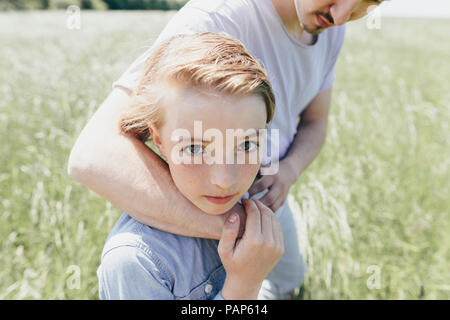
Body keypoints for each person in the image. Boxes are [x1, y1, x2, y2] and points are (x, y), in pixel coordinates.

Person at [69, 0, 385, 299]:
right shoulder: (214, 19)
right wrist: (236, 239)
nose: (342, 16)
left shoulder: (331, 31)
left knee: (288, 283)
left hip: (259, 195)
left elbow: (315, 122)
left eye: (367, 4)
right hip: (219, 209)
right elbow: (92, 155)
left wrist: (286, 172)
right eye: (195, 148)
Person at [97, 32, 284, 300]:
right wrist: (244, 286)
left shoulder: (252, 199)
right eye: (194, 149)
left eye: (245, 145)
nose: (224, 180)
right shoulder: (135, 261)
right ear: (159, 139)